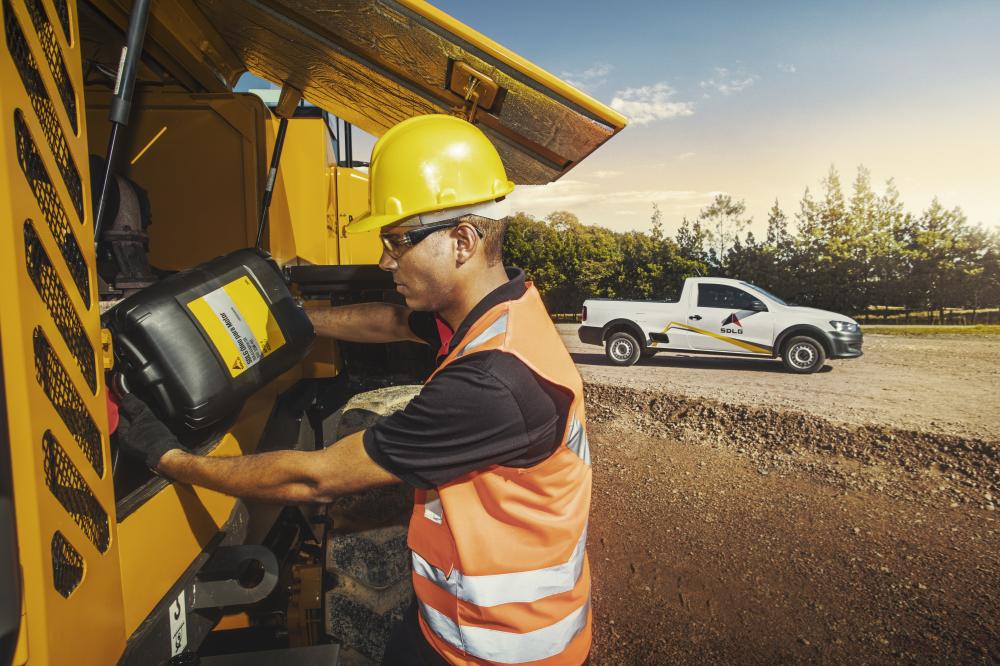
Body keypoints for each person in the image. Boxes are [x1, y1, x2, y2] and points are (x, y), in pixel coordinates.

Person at [118, 114, 593, 665]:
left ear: (462, 240)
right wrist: (291, 316)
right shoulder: (500, 313)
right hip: (451, 626)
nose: (384, 260)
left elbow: (315, 477)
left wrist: (169, 458)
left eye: (397, 241)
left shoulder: (493, 382)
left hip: (501, 650)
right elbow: (389, 322)